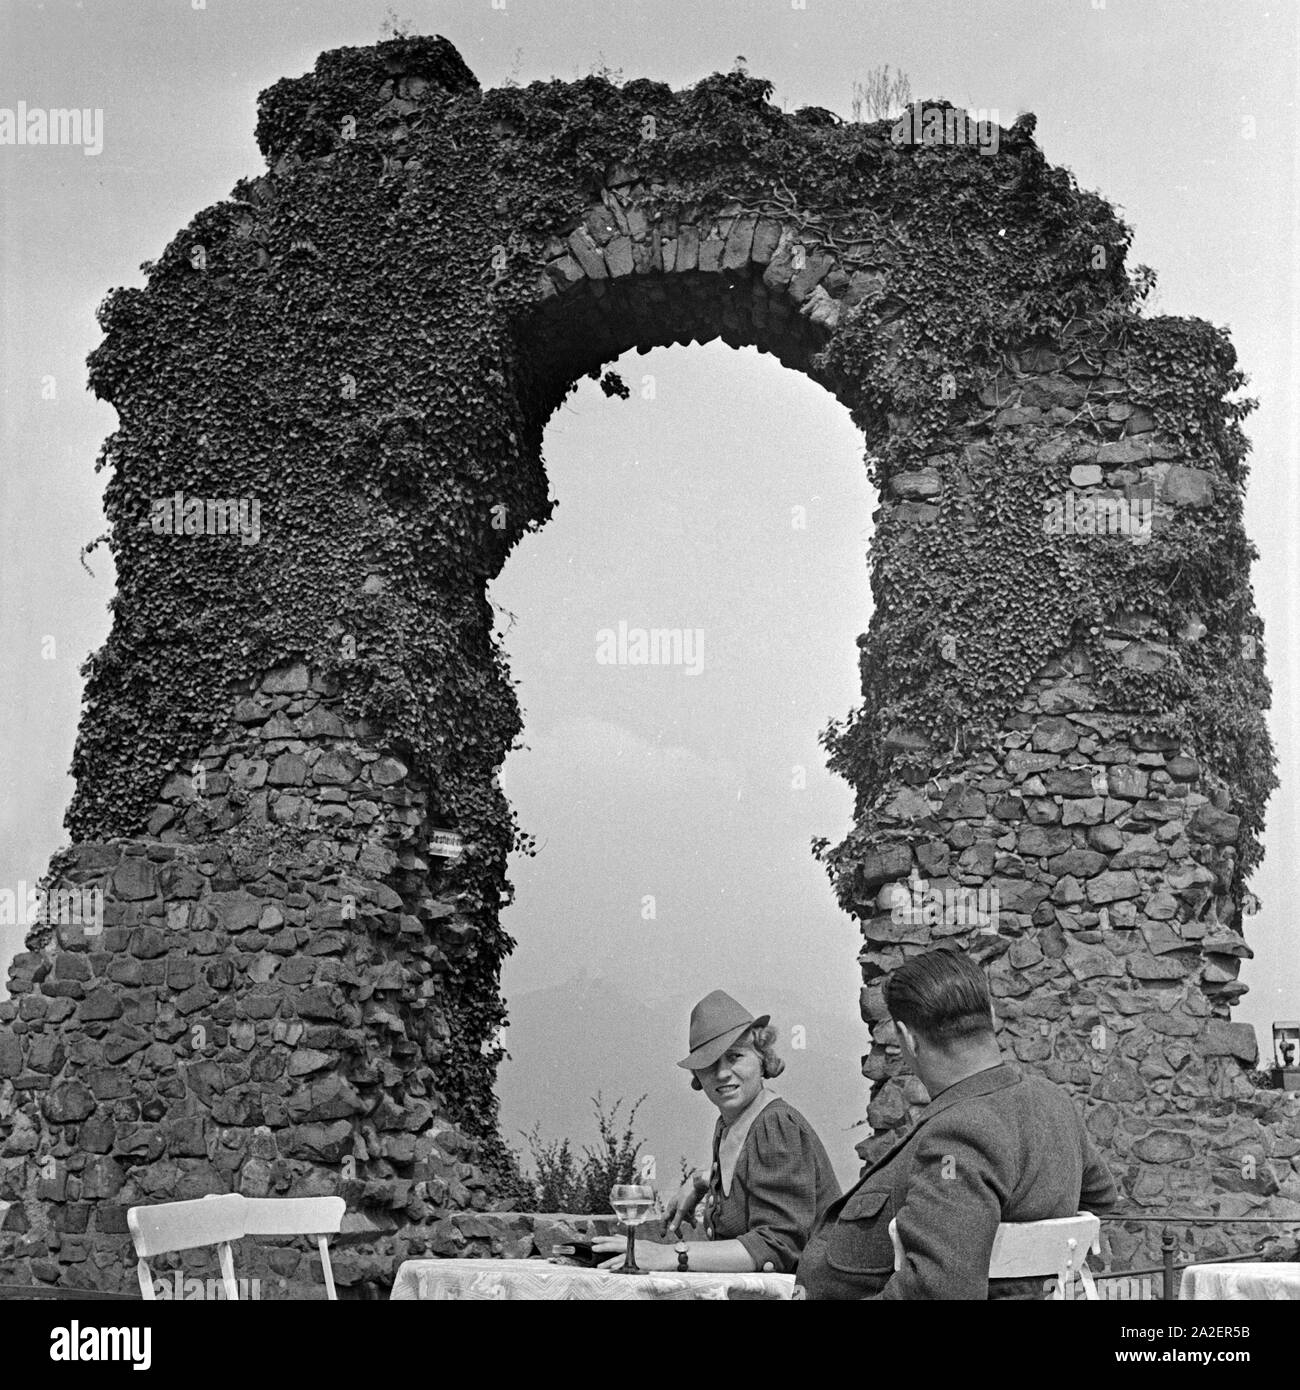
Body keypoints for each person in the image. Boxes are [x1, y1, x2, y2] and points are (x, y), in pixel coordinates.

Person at [795, 947, 1117, 1299]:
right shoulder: (1054, 1102)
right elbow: (1098, 1197)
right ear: (991, 1015)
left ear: (908, 1038)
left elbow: (940, 1291)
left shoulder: (957, 1135)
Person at [594, 989, 840, 1273]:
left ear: (762, 1059)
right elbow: (750, 1174)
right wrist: (700, 1180)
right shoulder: (729, 1125)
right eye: (710, 1064)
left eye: (735, 1056)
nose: (722, 1074)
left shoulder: (776, 1125)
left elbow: (777, 1247)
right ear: (697, 1075)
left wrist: (670, 1256)